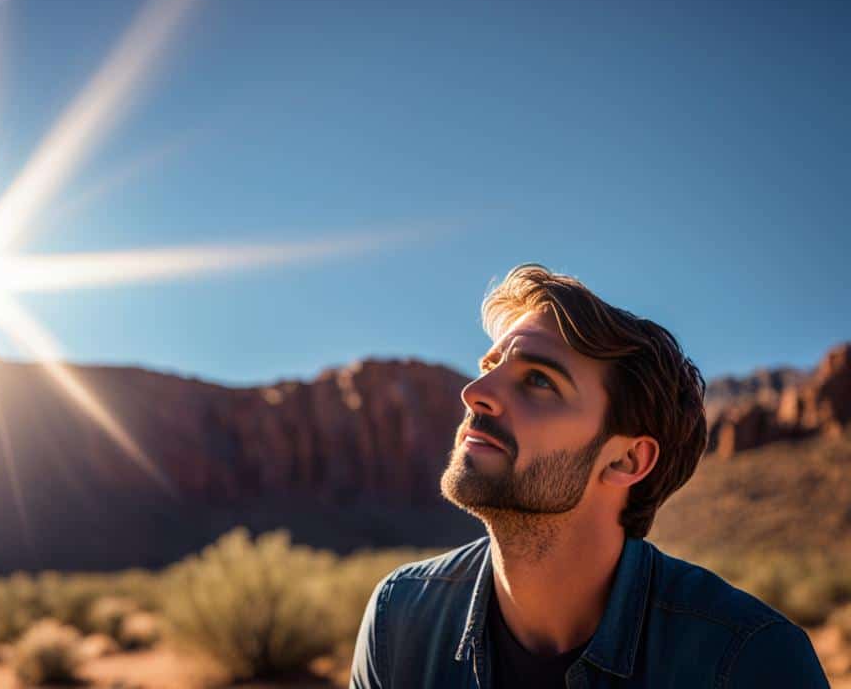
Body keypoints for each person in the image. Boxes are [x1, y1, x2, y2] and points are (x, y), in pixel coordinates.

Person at [350, 264, 829, 688]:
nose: (475, 392)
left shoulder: (748, 662)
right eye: (490, 366)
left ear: (626, 461)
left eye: (539, 380)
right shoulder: (401, 619)